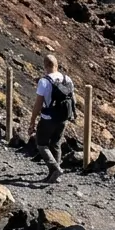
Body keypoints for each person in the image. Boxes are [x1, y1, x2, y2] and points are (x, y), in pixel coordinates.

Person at [28, 54, 75, 184]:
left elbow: (38, 103)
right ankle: (54, 175)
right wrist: (72, 115)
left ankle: (55, 168)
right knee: (56, 144)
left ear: (45, 65)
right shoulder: (67, 79)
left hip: (48, 118)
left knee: (41, 144)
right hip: (63, 117)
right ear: (57, 65)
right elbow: (72, 98)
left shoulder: (44, 81)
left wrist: (32, 121)